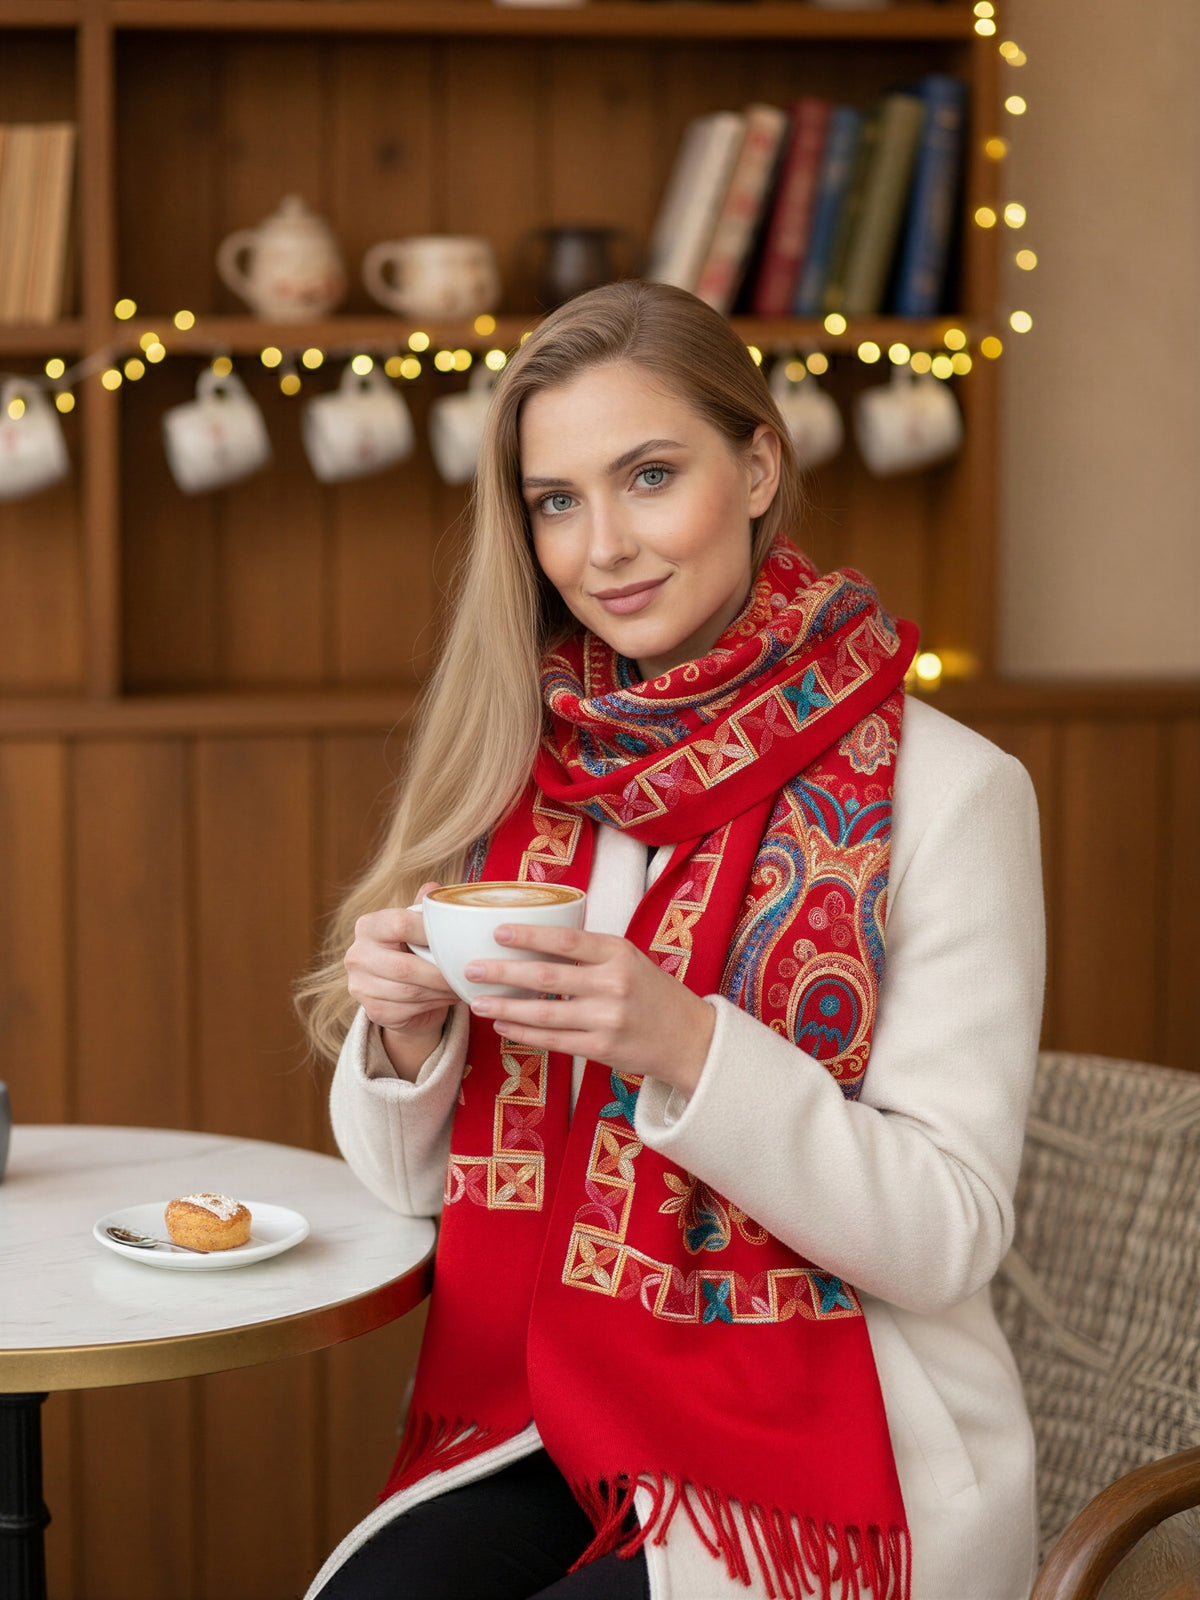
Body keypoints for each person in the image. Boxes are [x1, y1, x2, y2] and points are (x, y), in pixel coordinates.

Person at [297, 280, 1045, 1600]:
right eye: (556, 501)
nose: (602, 548)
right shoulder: (531, 770)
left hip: (835, 1450)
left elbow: (949, 1232)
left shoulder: (951, 793)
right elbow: (420, 1195)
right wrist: (405, 1042)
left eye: (650, 476)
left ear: (757, 467)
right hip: (551, 1402)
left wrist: (689, 1048)